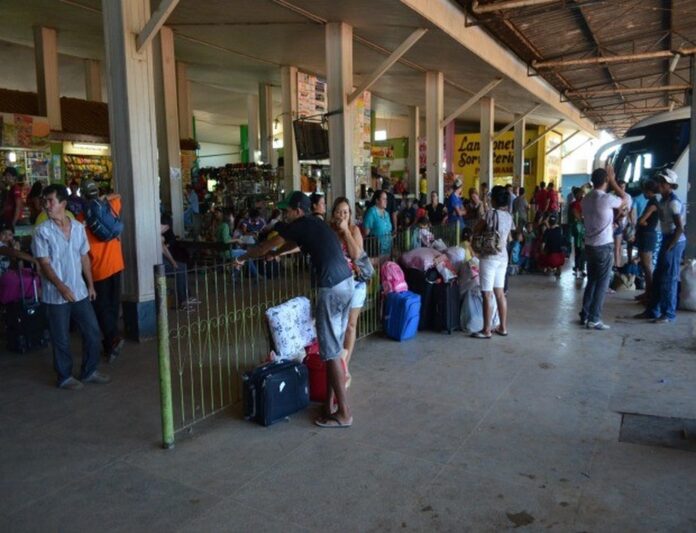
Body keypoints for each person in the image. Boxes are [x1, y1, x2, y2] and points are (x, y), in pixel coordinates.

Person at [236, 191, 355, 428]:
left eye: (287, 211)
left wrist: (243, 258)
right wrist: (277, 254)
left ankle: (344, 413)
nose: (284, 215)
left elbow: (265, 245)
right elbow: (291, 245)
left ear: (298, 210)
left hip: (331, 287)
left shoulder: (300, 224)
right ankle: (329, 405)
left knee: (330, 353)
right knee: (332, 350)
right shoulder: (312, 224)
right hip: (346, 284)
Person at [31, 184, 110, 390]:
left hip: (80, 291)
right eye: (45, 201)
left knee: (92, 332)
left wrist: (90, 285)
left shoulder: (77, 227)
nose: (46, 205)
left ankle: (89, 371)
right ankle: (64, 376)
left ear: (63, 203)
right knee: (61, 339)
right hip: (55, 296)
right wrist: (61, 287)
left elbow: (84, 257)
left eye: (51, 201)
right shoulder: (42, 232)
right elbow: (44, 264)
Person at [78, 179, 125, 362]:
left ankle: (113, 339)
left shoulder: (80, 218)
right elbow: (118, 195)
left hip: (97, 268)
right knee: (112, 304)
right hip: (116, 263)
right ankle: (110, 343)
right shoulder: (111, 205)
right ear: (97, 192)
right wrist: (104, 199)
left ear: (83, 196)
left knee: (101, 307)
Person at [635, 169, 686, 323]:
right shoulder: (662, 200)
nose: (660, 184)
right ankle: (653, 310)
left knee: (669, 278)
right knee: (658, 276)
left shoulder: (673, 203)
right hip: (667, 238)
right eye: (660, 181)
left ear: (670, 185)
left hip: (674, 241)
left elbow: (679, 228)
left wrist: (670, 246)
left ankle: (668, 314)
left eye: (663, 182)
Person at [579, 166, 627, 330]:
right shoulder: (606, 199)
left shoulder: (586, 199)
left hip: (589, 245)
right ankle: (594, 318)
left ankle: (585, 314)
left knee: (592, 280)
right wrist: (614, 182)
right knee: (602, 283)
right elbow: (625, 198)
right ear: (606, 180)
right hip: (603, 245)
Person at [330, 197, 366, 388]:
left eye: (346, 212)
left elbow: (356, 255)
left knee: (351, 326)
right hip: (335, 285)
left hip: (355, 283)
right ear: (333, 214)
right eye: (339, 212)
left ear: (350, 214)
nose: (342, 215)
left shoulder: (354, 230)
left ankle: (344, 367)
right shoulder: (329, 232)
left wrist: (346, 232)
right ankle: (336, 365)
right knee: (337, 327)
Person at [471, 185, 513, 339]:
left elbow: (476, 229)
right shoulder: (509, 216)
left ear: (494, 199)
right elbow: (508, 236)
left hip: (489, 257)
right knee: (500, 293)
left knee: (487, 294)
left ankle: (486, 330)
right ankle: (503, 327)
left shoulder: (490, 214)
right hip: (503, 257)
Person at [634, 179, 660, 301]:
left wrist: (642, 222)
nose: (643, 193)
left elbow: (641, 220)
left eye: (644, 191)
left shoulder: (653, 204)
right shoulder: (652, 202)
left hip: (647, 236)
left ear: (649, 191)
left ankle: (649, 293)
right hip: (647, 235)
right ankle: (648, 292)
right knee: (646, 265)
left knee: (647, 266)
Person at [363, 189, 393, 257]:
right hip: (376, 251)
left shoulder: (386, 214)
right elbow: (366, 233)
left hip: (388, 249)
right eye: (383, 199)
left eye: (386, 199)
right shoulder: (371, 212)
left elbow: (389, 230)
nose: (386, 201)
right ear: (377, 200)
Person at [612, 180, 633, 268]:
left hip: (621, 224)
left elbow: (627, 211)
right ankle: (614, 265)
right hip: (612, 224)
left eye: (623, 187)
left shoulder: (627, 197)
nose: (621, 189)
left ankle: (617, 265)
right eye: (620, 187)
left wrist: (629, 222)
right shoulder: (612, 196)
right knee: (612, 247)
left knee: (618, 246)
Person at [569, 187, 586, 278]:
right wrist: (583, 219)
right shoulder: (575, 204)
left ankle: (580, 268)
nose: (582, 195)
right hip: (579, 229)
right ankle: (579, 268)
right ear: (576, 195)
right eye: (580, 194)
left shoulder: (581, 203)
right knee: (579, 249)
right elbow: (577, 215)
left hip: (581, 229)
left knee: (581, 249)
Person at [541, 214, 565, 278]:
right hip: (560, 257)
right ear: (556, 222)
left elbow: (543, 244)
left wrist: (542, 251)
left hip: (550, 257)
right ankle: (558, 268)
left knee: (542, 254)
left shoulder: (547, 231)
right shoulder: (559, 230)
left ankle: (548, 268)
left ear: (549, 222)